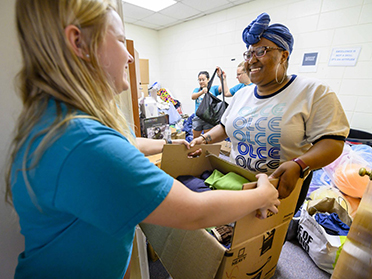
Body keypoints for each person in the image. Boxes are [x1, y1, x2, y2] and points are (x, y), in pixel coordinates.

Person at [6, 2, 280, 278]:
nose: (129, 57)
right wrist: (262, 195)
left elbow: (127, 142)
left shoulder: (61, 118)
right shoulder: (85, 143)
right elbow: (194, 212)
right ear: (79, 43)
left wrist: (170, 144)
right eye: (120, 41)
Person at [191, 12, 349, 212]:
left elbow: (333, 142)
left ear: (284, 55)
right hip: (239, 184)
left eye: (261, 51)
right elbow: (224, 126)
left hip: (279, 190)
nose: (251, 61)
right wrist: (203, 140)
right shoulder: (242, 95)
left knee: (267, 240)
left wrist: (299, 164)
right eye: (249, 54)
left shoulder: (312, 92)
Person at [191, 71, 221, 138]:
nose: (201, 81)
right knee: (195, 137)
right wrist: (202, 92)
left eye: (203, 79)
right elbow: (193, 97)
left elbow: (223, 89)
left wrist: (221, 78)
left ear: (208, 79)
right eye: (199, 80)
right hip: (198, 117)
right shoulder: (197, 90)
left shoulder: (213, 89)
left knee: (207, 138)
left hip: (208, 118)